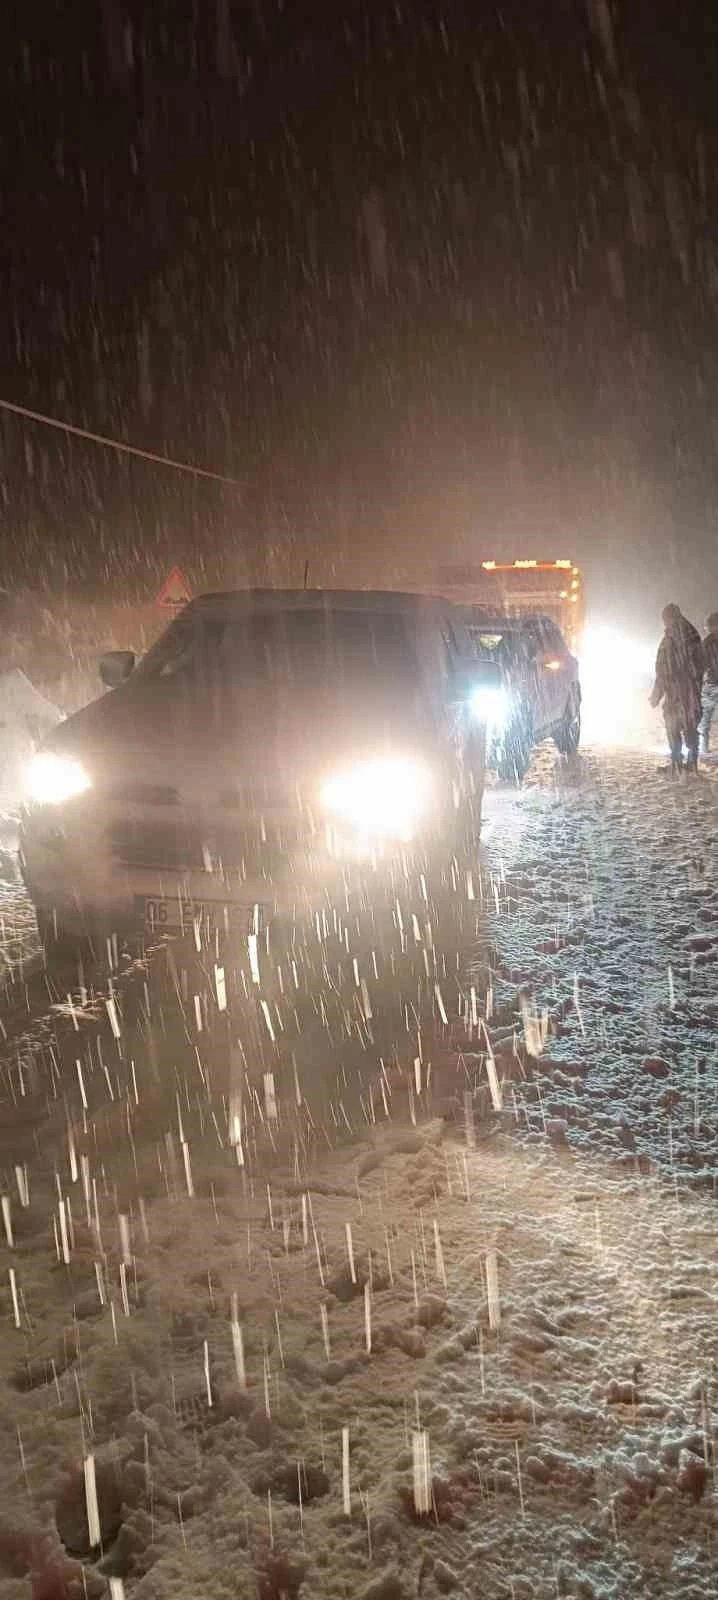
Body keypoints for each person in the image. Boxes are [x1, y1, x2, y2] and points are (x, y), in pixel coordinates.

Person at [649, 603, 704, 775]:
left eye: (666, 618)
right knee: (684, 725)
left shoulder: (678, 637)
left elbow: (664, 669)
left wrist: (657, 694)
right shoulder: (685, 635)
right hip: (684, 690)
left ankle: (682, 763)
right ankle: (685, 762)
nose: (665, 622)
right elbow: (664, 668)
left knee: (680, 725)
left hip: (682, 690)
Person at [700, 613, 718, 755]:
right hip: (711, 683)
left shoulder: (707, 643)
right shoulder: (707, 643)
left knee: (705, 718)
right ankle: (703, 748)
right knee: (705, 718)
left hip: (712, 684)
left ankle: (703, 748)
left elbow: (701, 664)